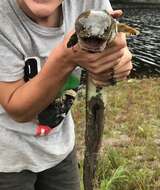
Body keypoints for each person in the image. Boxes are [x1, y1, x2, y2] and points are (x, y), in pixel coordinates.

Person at [0, 0, 132, 190]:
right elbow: (18, 110)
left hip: (59, 146)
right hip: (6, 159)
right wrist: (65, 58)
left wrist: (117, 60)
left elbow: (115, 35)